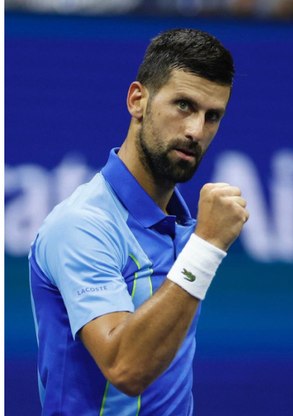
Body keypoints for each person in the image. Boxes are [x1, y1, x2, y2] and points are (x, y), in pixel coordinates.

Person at [29, 28, 248, 415]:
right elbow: (125, 367)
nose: (196, 131)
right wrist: (205, 248)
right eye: (183, 105)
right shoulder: (82, 225)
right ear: (137, 101)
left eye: (211, 116)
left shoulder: (179, 225)